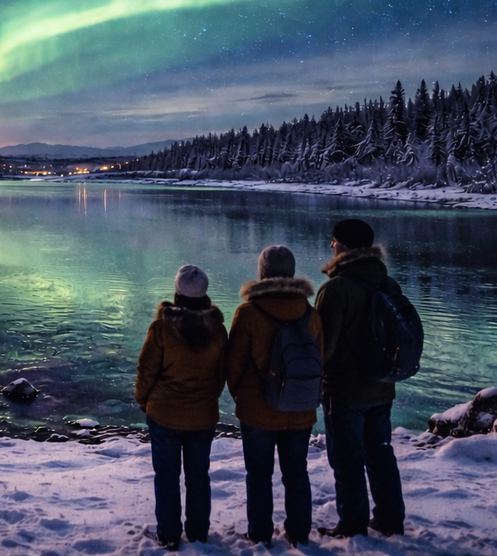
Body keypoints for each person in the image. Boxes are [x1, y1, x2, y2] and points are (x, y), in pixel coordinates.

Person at [314, 218, 406, 538]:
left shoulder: (336, 289)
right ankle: (391, 518)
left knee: (347, 458)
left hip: (345, 390)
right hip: (382, 386)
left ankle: (352, 524)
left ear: (346, 247)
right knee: (380, 454)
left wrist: (312, 384)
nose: (331, 245)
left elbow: (322, 347)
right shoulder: (388, 283)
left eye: (335, 241)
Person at [225, 245, 323, 547]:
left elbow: (234, 365)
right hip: (301, 408)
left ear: (262, 272)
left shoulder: (249, 313)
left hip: (258, 410)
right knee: (296, 473)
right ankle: (299, 532)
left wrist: (243, 396)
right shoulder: (311, 314)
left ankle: (260, 533)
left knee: (258, 474)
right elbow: (321, 359)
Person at [134, 265, 228, 551]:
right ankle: (198, 533)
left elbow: (146, 370)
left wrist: (143, 400)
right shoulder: (218, 330)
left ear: (177, 293)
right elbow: (221, 374)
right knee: (198, 475)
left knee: (166, 475)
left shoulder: (161, 327)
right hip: (203, 415)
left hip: (164, 414)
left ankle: (168, 534)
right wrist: (206, 398)